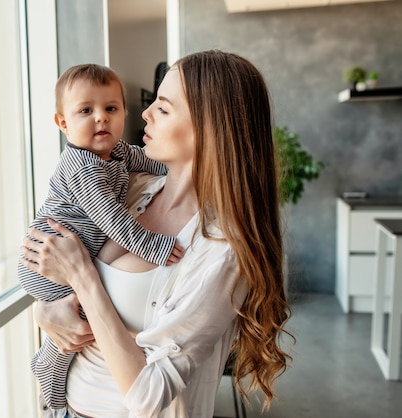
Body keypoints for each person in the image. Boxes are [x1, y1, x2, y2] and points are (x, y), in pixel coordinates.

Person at [20, 50, 293, 418]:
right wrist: (46, 311)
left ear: (210, 128)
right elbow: (60, 270)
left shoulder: (222, 249)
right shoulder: (131, 188)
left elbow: (149, 397)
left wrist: (83, 277)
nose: (145, 113)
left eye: (163, 108)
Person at [18, 63, 185, 410]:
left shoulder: (115, 152)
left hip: (73, 253)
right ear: (63, 123)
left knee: (82, 317)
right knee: (75, 327)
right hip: (47, 261)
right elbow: (112, 220)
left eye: (111, 108)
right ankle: (49, 368)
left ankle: (50, 358)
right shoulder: (83, 166)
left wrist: (178, 168)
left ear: (124, 111)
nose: (101, 119)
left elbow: (146, 160)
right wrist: (154, 246)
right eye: (85, 111)